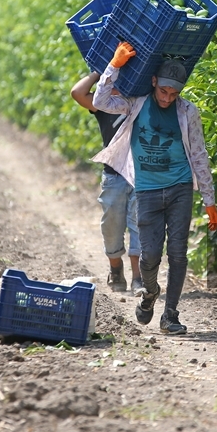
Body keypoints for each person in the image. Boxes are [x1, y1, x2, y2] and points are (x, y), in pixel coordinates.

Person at [91, 42, 217, 335]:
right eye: (163, 91)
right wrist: (114, 65)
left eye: (174, 93)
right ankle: (149, 293)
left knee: (178, 253)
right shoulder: (135, 103)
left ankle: (170, 315)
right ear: (154, 83)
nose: (167, 98)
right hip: (146, 190)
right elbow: (100, 101)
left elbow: (199, 154)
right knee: (149, 255)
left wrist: (209, 200)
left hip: (180, 187)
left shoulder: (188, 112)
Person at [70, 70, 143, 295]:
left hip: (142, 175)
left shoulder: (142, 102)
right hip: (114, 175)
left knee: (139, 224)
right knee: (111, 225)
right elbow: (77, 92)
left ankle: (138, 278)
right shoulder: (106, 104)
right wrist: (100, 71)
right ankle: (116, 268)